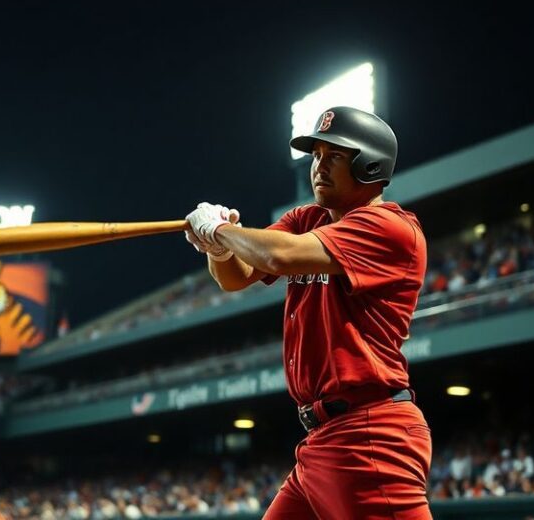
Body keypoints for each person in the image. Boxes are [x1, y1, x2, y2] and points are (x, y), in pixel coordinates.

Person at [184, 106, 432, 519]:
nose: (319, 165)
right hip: (322, 440)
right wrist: (219, 248)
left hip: (368, 434)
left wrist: (221, 230)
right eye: (316, 155)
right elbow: (237, 275)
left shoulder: (390, 227)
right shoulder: (308, 218)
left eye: (334, 155)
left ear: (369, 165)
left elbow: (277, 257)